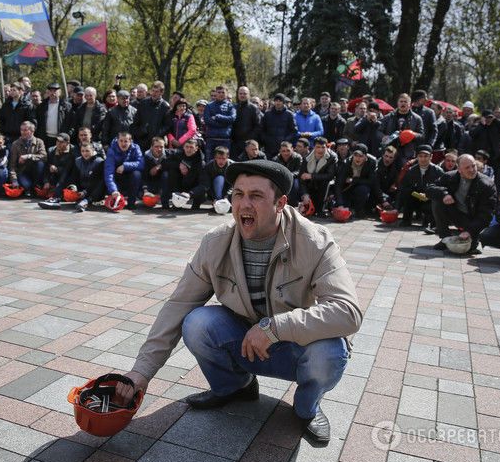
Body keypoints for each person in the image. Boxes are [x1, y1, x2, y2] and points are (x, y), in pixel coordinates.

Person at [115, 159, 363, 443]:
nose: (244, 204)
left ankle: (307, 407)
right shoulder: (215, 242)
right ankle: (235, 387)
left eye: (256, 196)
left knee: (332, 350)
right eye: (238, 194)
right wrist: (141, 373)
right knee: (196, 323)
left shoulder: (314, 241)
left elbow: (348, 313)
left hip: (296, 346)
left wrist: (274, 328)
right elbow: (178, 305)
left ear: (280, 203)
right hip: (245, 342)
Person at [427, 154, 497, 254]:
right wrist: (444, 194)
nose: (472, 170)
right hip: (454, 212)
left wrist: (469, 230)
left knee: (469, 248)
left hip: (473, 219)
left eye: (473, 166)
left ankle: (473, 240)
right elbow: (430, 189)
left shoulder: (487, 184)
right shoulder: (449, 176)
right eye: (467, 167)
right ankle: (445, 238)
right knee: (437, 201)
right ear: (459, 170)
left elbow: (486, 214)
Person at [398, 145, 443, 229]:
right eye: (420, 156)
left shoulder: (438, 171)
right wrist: (417, 194)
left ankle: (431, 223)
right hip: (415, 198)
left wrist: (427, 196)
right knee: (407, 196)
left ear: (431, 157)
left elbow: (441, 189)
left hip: (430, 200)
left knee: (434, 203)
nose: (423, 159)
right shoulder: (411, 171)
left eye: (426, 156)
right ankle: (406, 220)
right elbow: (405, 188)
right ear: (417, 157)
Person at [332, 143, 380, 218]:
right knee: (341, 207)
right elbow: (338, 184)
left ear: (365, 156)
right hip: (347, 189)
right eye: (355, 155)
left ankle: (360, 210)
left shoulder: (372, 162)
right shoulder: (346, 163)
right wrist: (340, 204)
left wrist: (354, 180)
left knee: (363, 189)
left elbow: (371, 181)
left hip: (363, 188)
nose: (357, 158)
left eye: (361, 156)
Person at [161, 138, 205, 209]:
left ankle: (196, 204)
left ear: (196, 148)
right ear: (183, 147)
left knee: (202, 184)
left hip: (193, 187)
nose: (189, 149)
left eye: (191, 147)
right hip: (179, 184)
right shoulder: (177, 154)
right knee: (169, 172)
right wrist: (179, 165)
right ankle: (175, 202)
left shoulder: (201, 162)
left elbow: (203, 183)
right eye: (187, 147)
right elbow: (164, 163)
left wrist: (190, 193)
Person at [299, 137, 338, 216]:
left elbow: (330, 176)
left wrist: (312, 176)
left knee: (325, 183)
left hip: (324, 184)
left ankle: (322, 208)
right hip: (310, 184)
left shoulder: (332, 157)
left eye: (323, 147)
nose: (320, 150)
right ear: (314, 147)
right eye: (318, 147)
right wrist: (305, 194)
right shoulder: (307, 157)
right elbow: (302, 176)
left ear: (326, 147)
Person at [104, 131, 144, 209]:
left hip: (130, 176)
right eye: (121, 141)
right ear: (117, 140)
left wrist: (125, 166)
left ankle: (131, 202)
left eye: (126, 141)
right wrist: (113, 190)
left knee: (137, 174)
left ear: (130, 141)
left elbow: (141, 164)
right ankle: (115, 198)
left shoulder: (136, 148)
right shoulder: (111, 151)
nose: (123, 144)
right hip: (117, 176)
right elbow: (109, 172)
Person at [9, 121, 46, 195]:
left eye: (25, 130)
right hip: (22, 171)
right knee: (27, 185)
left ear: (32, 131)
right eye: (21, 130)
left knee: (40, 163)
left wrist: (28, 156)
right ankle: (30, 188)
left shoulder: (39, 142)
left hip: (35, 171)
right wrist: (14, 180)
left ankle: (36, 185)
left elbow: (44, 156)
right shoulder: (15, 144)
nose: (22, 132)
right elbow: (12, 165)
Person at [131, 81, 170, 152]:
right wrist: (139, 131)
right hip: (142, 139)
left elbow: (167, 126)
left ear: (161, 93)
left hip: (157, 142)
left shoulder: (165, 106)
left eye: (156, 91)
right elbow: (136, 121)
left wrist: (157, 134)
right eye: (153, 91)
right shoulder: (143, 103)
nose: (154, 93)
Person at [70, 142, 107, 212]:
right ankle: (82, 201)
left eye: (87, 151)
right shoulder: (77, 161)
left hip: (95, 191)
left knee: (102, 182)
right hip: (82, 189)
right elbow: (74, 177)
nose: (85, 153)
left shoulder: (99, 162)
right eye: (82, 151)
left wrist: (84, 192)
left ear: (92, 151)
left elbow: (95, 182)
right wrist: (74, 188)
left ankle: (86, 201)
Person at [203, 85, 236, 160]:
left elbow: (232, 118)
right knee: (209, 163)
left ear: (226, 94)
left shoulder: (230, 106)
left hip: (225, 140)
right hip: (211, 139)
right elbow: (207, 121)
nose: (221, 94)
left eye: (223, 92)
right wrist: (224, 123)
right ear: (216, 93)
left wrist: (218, 117)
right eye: (219, 92)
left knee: (224, 163)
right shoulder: (209, 106)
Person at [260, 94, 298, 158]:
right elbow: (262, 129)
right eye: (276, 101)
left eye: (280, 101)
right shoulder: (267, 114)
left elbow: (294, 131)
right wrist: (266, 139)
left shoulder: (289, 114)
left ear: (283, 102)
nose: (278, 102)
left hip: (284, 148)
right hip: (269, 147)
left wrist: (285, 141)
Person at [35, 84, 69, 149]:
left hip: (60, 138)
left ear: (60, 92)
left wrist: (67, 135)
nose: (53, 93)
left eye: (55, 91)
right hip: (45, 138)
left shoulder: (66, 106)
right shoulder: (42, 106)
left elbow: (70, 122)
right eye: (51, 91)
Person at [232, 86, 261, 158]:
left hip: (249, 143)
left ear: (248, 95)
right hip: (235, 143)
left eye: (244, 94)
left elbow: (258, 126)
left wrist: (250, 139)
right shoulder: (234, 107)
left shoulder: (253, 108)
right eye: (240, 93)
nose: (242, 95)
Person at [272, 141, 303, 206]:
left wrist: (289, 175)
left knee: (295, 184)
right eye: (283, 151)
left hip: (294, 178)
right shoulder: (275, 159)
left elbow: (299, 171)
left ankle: (294, 204)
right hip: (281, 179)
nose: (286, 153)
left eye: (288, 150)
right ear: (280, 151)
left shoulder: (298, 157)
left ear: (292, 149)